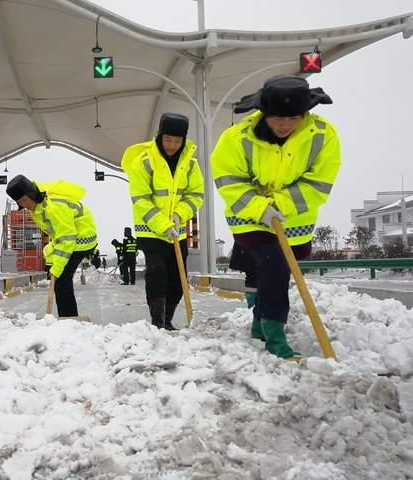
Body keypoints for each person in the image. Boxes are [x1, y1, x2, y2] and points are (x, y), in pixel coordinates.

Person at [211, 75, 341, 360]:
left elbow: (319, 183)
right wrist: (260, 207)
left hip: (294, 220)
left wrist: (280, 204)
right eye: (277, 118)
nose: (285, 125)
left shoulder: (323, 135)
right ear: (264, 113)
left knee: (281, 269)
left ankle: (259, 323)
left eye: (293, 118)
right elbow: (229, 181)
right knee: (274, 264)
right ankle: (275, 336)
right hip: (248, 216)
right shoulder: (237, 138)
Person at [121, 113, 204, 330]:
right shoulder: (144, 162)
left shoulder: (191, 164)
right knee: (157, 273)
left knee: (178, 278)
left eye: (178, 141)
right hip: (150, 230)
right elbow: (141, 199)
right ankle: (157, 321)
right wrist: (162, 224)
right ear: (160, 135)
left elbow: (196, 195)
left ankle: (168, 319)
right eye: (168, 139)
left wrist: (180, 214)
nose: (172, 145)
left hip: (177, 230)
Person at [6, 175, 97, 318]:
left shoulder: (53, 207)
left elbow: (67, 238)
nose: (23, 204)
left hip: (81, 239)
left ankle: (69, 318)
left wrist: (57, 268)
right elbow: (59, 234)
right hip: (66, 237)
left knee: (61, 277)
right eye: (19, 202)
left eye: (24, 199)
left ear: (31, 193)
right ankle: (66, 316)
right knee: (56, 273)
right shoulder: (38, 203)